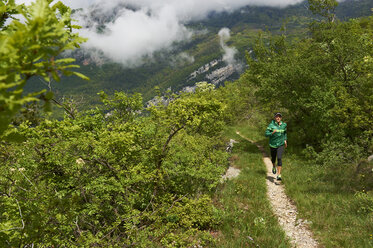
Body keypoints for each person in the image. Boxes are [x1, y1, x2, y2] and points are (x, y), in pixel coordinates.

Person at [265, 113, 287, 181]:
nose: (278, 118)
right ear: (275, 118)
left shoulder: (284, 125)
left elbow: (285, 133)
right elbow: (266, 134)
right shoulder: (271, 125)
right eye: (277, 117)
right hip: (273, 144)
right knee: (273, 158)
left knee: (279, 158)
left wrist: (285, 140)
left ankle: (279, 174)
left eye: (279, 117)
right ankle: (274, 166)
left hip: (280, 144)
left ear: (281, 118)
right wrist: (272, 133)